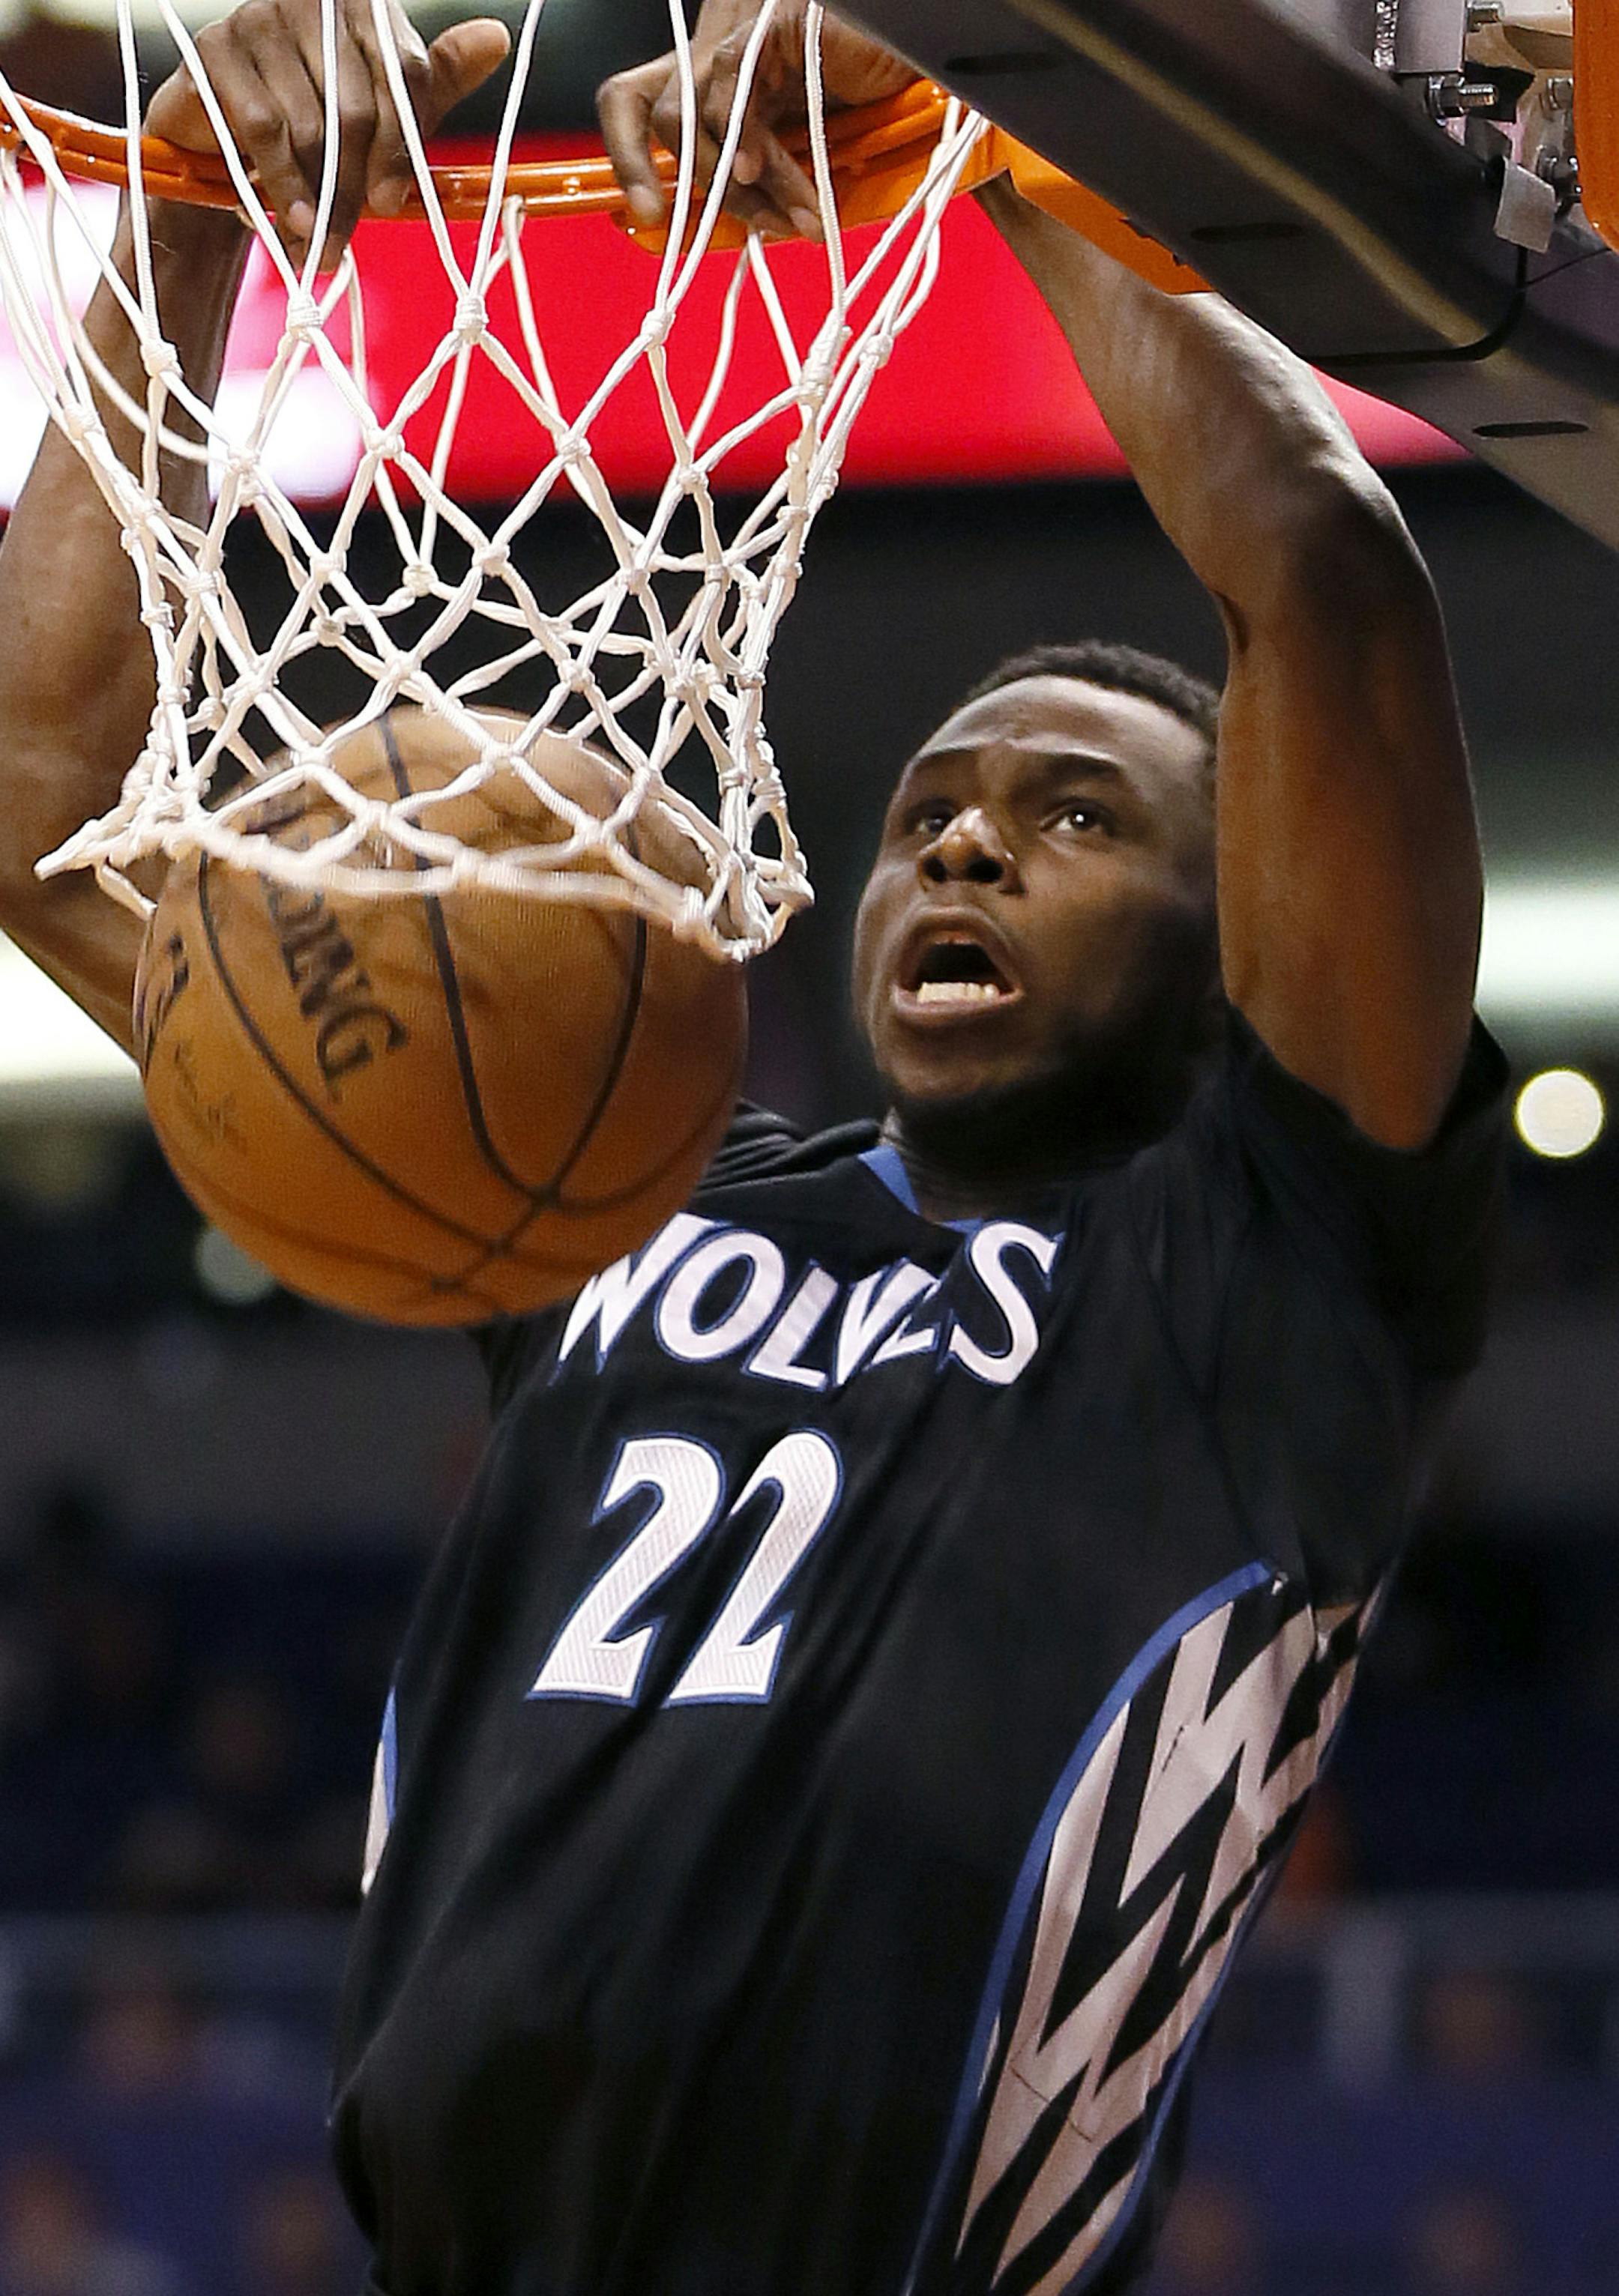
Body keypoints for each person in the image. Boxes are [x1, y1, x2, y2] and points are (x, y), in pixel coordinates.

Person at [0, 1, 1506, 2289]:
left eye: (1075, 818)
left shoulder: (1280, 1274)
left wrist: (990, 100)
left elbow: (1316, 571)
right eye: (928, 820)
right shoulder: (603, 1187)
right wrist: (193, 217)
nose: (966, 852)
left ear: (1244, 947)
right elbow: (43, 816)